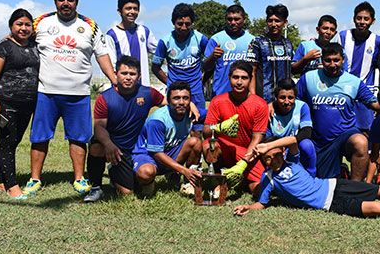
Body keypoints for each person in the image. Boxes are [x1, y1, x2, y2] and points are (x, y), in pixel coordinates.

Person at [6, 0, 117, 196]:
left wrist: (114, 79)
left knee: (78, 138)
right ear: (55, 1)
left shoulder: (90, 25)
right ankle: (35, 178)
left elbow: (101, 55)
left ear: (77, 1)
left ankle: (79, 178)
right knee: (39, 137)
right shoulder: (41, 22)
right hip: (46, 92)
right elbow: (19, 35)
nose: (66, 3)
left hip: (78, 94)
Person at [234, 140, 380, 218]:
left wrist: (268, 145)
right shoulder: (269, 178)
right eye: (265, 159)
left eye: (272, 156)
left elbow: (294, 140)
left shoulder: (293, 160)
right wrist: (247, 207)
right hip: (330, 204)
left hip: (334, 184)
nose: (269, 161)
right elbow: (261, 203)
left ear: (280, 153)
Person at [84, 56, 166, 202]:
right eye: (124, 73)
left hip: (133, 149)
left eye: (132, 74)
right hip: (112, 146)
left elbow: (169, 103)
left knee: (126, 193)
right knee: (96, 145)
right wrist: (109, 145)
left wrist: (189, 105)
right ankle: (96, 188)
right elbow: (99, 128)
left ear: (139, 76)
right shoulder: (105, 98)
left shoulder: (148, 93)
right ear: (116, 74)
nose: (128, 77)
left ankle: (116, 173)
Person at [297, 43, 379, 180]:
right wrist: (272, 105)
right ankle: (340, 171)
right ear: (322, 61)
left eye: (336, 60)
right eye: (328, 60)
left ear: (343, 60)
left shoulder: (353, 82)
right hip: (319, 139)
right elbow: (294, 102)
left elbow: (375, 104)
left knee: (361, 142)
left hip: (345, 134)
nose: (332, 64)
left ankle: (355, 186)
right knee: (321, 179)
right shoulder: (308, 78)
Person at [0, 8, 39, 200]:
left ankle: (1, 181)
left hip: (27, 105)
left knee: (13, 142)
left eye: (27, 24)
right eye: (19, 24)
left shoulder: (35, 44)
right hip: (4, 103)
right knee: (8, 142)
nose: (23, 28)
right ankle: (12, 186)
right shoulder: (4, 47)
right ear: (11, 26)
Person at [203, 61, 269, 194]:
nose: (239, 82)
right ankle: (216, 177)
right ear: (229, 78)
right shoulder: (217, 101)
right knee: (209, 146)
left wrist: (243, 163)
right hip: (225, 148)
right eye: (235, 77)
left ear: (250, 80)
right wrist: (218, 127)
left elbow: (258, 138)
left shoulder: (260, 104)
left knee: (259, 189)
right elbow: (206, 133)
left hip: (248, 152)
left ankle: (241, 178)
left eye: (244, 78)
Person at [133, 81, 204, 197]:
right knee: (146, 172)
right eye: (176, 98)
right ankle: (146, 183)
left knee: (195, 142)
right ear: (168, 101)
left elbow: (213, 114)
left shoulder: (191, 112)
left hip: (168, 153)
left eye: (185, 98)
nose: (181, 102)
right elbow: (156, 153)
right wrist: (183, 170)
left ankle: (189, 183)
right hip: (147, 155)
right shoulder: (158, 120)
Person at [255, 78, 317, 176]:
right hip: (275, 149)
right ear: (276, 97)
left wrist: (289, 143)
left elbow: (306, 133)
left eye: (290, 97)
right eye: (282, 97)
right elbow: (267, 138)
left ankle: (311, 176)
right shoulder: (268, 110)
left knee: (307, 145)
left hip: (294, 148)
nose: (287, 101)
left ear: (295, 97)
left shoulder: (302, 107)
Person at [152, 3, 209, 109]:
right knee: (175, 123)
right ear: (173, 22)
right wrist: (169, 82)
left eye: (187, 24)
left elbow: (211, 63)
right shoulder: (165, 41)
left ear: (192, 23)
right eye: (180, 23)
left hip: (196, 92)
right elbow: (155, 67)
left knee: (198, 122)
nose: (183, 27)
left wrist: (202, 81)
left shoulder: (201, 39)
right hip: (175, 92)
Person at [338, 1, 380, 133]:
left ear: (372, 21)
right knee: (341, 130)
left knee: (364, 131)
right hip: (344, 91)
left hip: (365, 92)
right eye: (359, 18)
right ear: (354, 19)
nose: (362, 22)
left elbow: (379, 66)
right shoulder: (343, 36)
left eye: (366, 19)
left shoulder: (377, 40)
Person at [105, 0, 158, 87]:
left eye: (135, 9)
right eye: (128, 8)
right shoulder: (111, 35)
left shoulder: (144, 31)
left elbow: (159, 51)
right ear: (119, 11)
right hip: (122, 89)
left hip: (143, 87)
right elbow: (111, 64)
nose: (132, 12)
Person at [203, 4, 254, 97]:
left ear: (244, 20)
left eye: (237, 19)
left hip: (245, 96)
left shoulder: (253, 41)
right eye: (229, 19)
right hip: (220, 94)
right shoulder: (216, 39)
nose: (233, 22)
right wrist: (212, 57)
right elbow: (205, 67)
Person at [247, 4, 294, 103]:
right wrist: (253, 97)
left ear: (285, 23)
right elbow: (251, 71)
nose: (273, 24)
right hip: (263, 99)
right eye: (270, 20)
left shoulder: (288, 43)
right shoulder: (257, 42)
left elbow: (292, 68)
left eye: (277, 21)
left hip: (284, 101)